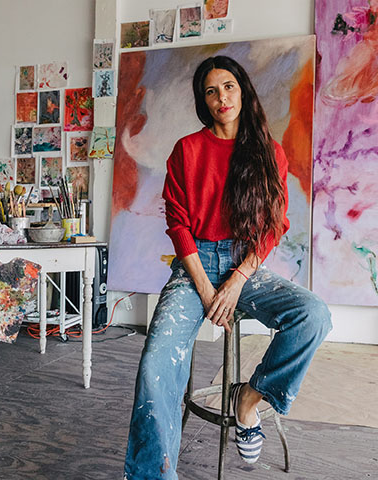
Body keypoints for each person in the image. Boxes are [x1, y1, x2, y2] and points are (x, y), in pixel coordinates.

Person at [123, 55, 332, 480]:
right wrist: (203, 287)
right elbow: (178, 223)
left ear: (243, 91)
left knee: (313, 316)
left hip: (245, 263)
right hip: (194, 265)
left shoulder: (268, 152)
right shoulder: (187, 149)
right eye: (212, 91)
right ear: (204, 101)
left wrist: (237, 281)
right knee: (155, 365)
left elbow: (274, 226)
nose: (222, 97)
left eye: (229, 87)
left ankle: (248, 400)